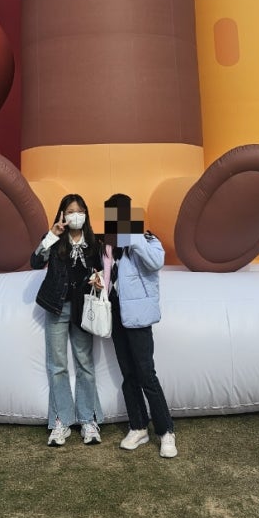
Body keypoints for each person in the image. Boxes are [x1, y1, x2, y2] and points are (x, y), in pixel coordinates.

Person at [100, 193, 177, 459]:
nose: (116, 221)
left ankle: (166, 431)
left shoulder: (146, 239)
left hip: (138, 318)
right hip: (116, 316)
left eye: (121, 215)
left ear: (131, 216)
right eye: (112, 216)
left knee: (146, 374)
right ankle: (138, 426)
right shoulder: (108, 247)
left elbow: (156, 262)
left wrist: (131, 235)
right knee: (129, 375)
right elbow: (108, 278)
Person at [31, 194, 104, 446]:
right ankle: (61, 420)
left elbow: (100, 271)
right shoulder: (54, 239)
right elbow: (35, 262)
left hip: (83, 310)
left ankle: (88, 419)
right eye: (70, 211)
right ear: (62, 214)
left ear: (86, 214)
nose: (75, 215)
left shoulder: (94, 243)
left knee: (85, 364)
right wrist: (52, 234)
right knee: (57, 365)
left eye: (80, 211)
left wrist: (98, 279)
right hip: (56, 308)